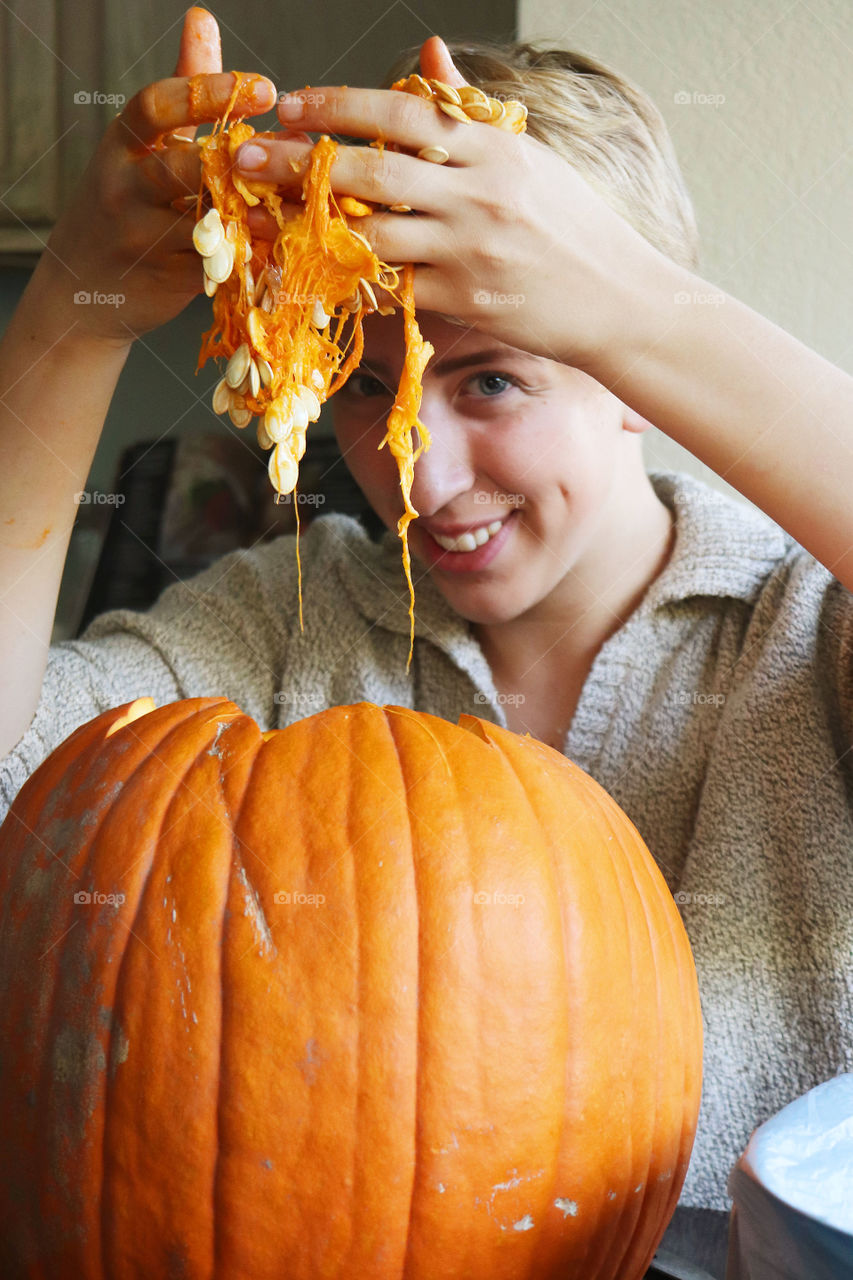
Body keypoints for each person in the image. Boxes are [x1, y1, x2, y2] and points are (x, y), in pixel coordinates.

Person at [0, 5, 851, 1215]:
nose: (418, 475)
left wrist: (641, 310)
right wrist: (68, 314)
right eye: (366, 381)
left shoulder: (807, 631)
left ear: (632, 388)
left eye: (491, 377)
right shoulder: (281, 628)